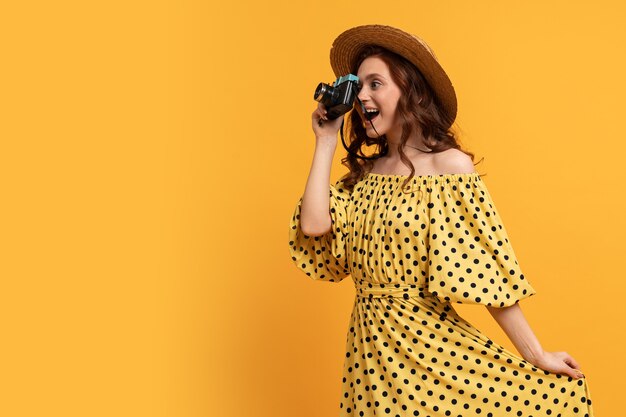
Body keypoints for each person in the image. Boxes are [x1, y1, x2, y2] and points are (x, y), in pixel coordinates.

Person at [288, 24, 595, 417]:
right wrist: (326, 140)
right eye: (357, 86)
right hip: (370, 355)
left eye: (375, 83)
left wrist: (536, 354)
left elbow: (484, 270)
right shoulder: (365, 173)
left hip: (432, 353)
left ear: (409, 90)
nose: (362, 95)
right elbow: (314, 226)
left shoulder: (449, 167)